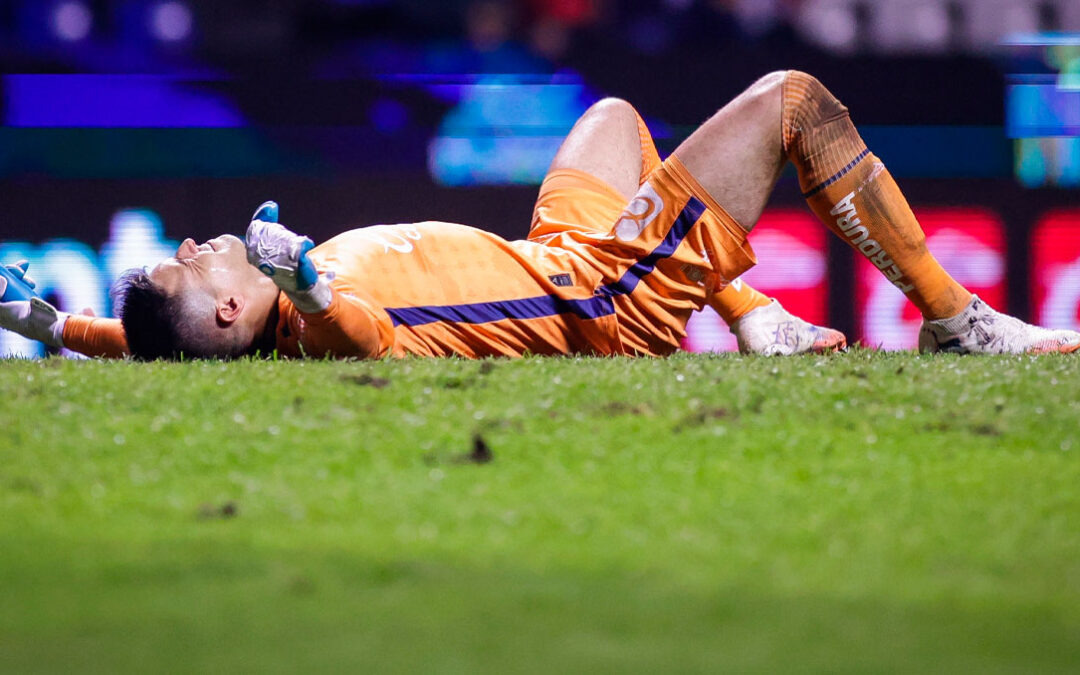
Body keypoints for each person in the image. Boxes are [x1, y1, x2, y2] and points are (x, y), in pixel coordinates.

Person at [2, 71, 1077, 359]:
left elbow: (148, 348)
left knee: (611, 119)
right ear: (235, 314)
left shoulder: (231, 335)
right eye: (189, 267)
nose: (188, 246)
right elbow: (362, 333)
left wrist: (54, 326)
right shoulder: (319, 325)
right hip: (604, 298)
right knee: (792, 104)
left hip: (552, 251)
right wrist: (311, 282)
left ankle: (753, 315)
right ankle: (956, 319)